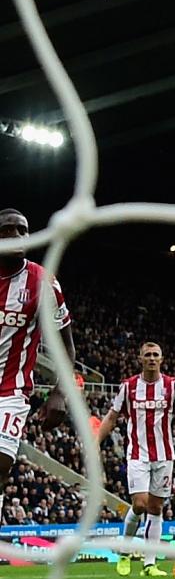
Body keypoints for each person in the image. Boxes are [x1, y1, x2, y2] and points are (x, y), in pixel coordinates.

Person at [98, 340, 175, 576]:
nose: (152, 358)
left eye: (156, 354)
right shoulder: (129, 387)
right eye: (148, 355)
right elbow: (112, 418)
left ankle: (149, 564)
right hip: (137, 455)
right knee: (140, 504)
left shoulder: (173, 386)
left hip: (164, 456)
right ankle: (124, 552)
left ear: (161, 359)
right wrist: (95, 442)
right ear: (140, 359)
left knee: (156, 507)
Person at [0, 207, 75, 495]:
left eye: (23, 230)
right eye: (8, 229)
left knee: (1, 464)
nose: (18, 236)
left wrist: (59, 393)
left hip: (12, 392)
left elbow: (67, 346)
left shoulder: (43, 282)